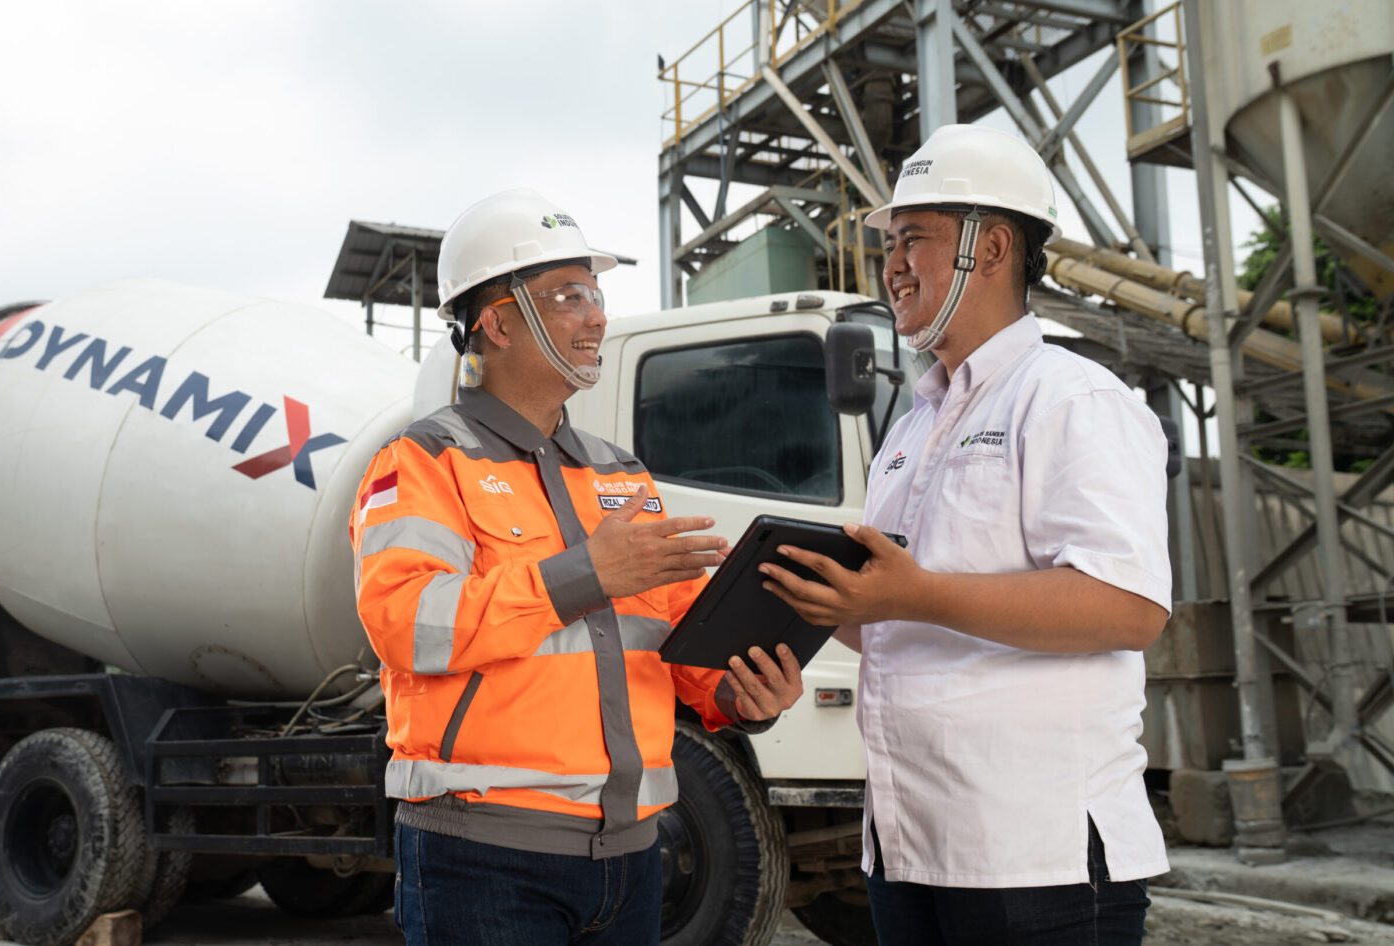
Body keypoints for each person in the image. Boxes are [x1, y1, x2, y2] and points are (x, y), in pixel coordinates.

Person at [349, 187, 805, 945]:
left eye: (595, 293)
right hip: (482, 857)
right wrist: (583, 575)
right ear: (494, 322)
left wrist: (745, 690)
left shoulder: (622, 475)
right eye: (568, 295)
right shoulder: (424, 462)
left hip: (632, 858)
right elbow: (409, 625)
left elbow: (677, 648)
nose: (596, 316)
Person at [763, 124, 1172, 945]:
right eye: (891, 243)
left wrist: (915, 592)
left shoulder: (1070, 398)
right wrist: (817, 602)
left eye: (914, 238)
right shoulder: (915, 423)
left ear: (989, 248)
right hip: (909, 842)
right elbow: (895, 611)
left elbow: (1128, 606)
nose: (892, 265)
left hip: (1034, 855)